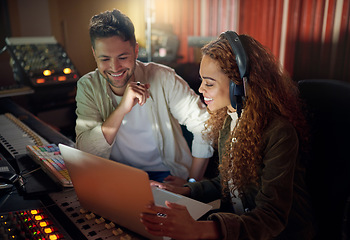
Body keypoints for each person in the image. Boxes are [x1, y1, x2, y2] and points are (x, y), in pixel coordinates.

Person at [140, 32, 316, 239]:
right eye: (202, 81)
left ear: (238, 85)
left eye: (209, 83)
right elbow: (226, 182)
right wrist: (183, 190)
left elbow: (272, 217)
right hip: (239, 226)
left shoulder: (279, 133)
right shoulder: (230, 119)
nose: (200, 89)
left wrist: (198, 229)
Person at [75, 9, 213, 184]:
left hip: (167, 174)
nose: (115, 67)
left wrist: (191, 184)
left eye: (122, 57)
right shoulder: (87, 86)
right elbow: (86, 151)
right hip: (117, 175)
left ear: (136, 51)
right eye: (105, 59)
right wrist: (122, 108)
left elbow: (205, 126)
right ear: (94, 54)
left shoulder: (164, 77)